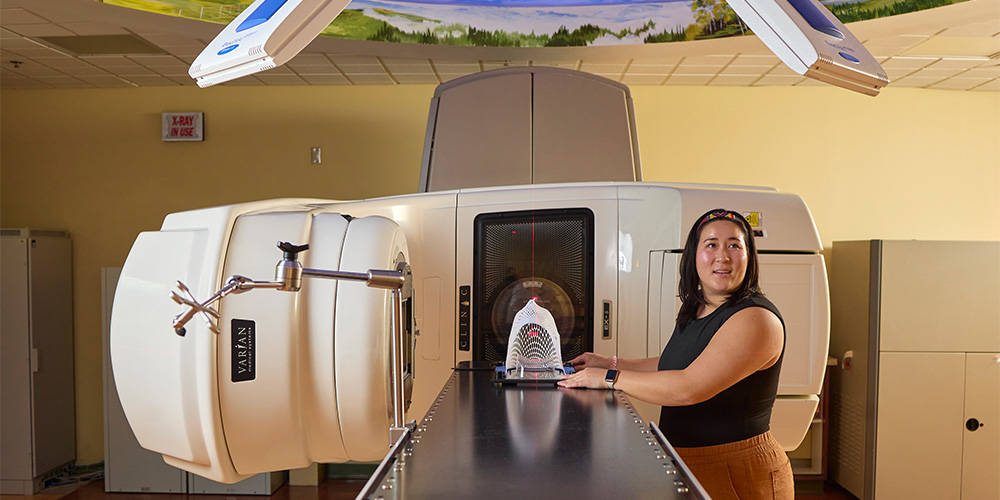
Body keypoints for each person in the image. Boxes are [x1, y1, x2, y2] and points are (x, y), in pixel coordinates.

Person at [558, 208, 793, 500]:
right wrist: (609, 362)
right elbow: (674, 365)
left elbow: (688, 388)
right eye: (711, 245)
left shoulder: (756, 319)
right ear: (694, 256)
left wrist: (608, 377)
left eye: (734, 245)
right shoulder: (699, 308)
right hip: (685, 459)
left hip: (735, 470)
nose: (723, 256)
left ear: (749, 256)